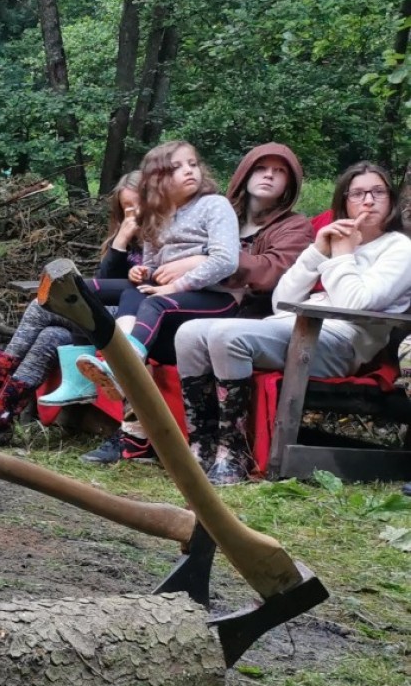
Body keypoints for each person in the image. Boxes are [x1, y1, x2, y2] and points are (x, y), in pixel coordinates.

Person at [175, 162, 411, 484]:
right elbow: (281, 298)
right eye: (357, 193)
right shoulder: (333, 242)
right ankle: (201, 446)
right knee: (188, 333)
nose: (368, 200)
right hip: (293, 326)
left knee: (227, 336)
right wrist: (317, 252)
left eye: (377, 192)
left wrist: (342, 255)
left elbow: (356, 303)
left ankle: (234, 452)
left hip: (340, 342)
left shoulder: (400, 248)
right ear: (344, 202)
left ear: (391, 201)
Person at [80, 143, 313, 464]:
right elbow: (159, 259)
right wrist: (148, 270)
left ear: (291, 183)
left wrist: (194, 261)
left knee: (147, 309)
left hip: (236, 317)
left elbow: (266, 272)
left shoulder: (290, 226)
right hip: (185, 305)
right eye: (261, 168)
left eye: (280, 171)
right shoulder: (208, 210)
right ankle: (124, 402)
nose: (269, 176)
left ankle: (133, 406)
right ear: (245, 173)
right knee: (120, 296)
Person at [0, 172, 142, 444]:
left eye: (139, 205)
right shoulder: (125, 235)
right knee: (49, 337)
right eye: (128, 208)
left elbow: (110, 294)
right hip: (104, 315)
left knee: (40, 307)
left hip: (133, 319)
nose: (135, 213)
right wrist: (122, 239)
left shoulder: (164, 237)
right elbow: (105, 283)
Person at [74, 141, 240, 398]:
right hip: (175, 291)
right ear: (156, 181)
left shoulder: (214, 205)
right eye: (177, 167)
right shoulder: (157, 215)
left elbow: (226, 261)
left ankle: (127, 367)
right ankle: (114, 363)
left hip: (218, 295)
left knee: (154, 303)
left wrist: (175, 286)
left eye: (193, 164)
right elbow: (152, 266)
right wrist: (141, 273)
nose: (189, 171)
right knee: (100, 291)